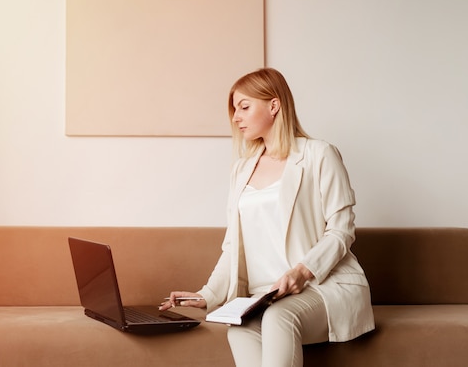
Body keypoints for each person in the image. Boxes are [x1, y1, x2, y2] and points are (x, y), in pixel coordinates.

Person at [159, 67, 375, 367]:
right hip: (266, 296)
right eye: (234, 109)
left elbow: (341, 231)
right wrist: (207, 295)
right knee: (241, 330)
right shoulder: (241, 169)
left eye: (244, 107)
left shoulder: (318, 154)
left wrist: (302, 272)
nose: (236, 117)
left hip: (324, 288)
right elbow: (234, 246)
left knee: (279, 318)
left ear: (274, 106)